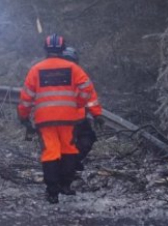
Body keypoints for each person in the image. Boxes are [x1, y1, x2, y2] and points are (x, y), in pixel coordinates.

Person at [18, 34, 104, 204]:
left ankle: (52, 192)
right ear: (63, 49)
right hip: (69, 118)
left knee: (51, 152)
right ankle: (65, 185)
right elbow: (87, 89)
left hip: (45, 120)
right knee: (69, 150)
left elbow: (26, 97)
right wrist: (79, 104)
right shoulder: (73, 68)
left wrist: (23, 117)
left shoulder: (36, 69)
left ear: (45, 49)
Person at [61, 46, 98, 171]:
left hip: (53, 117)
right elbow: (90, 97)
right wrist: (96, 114)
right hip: (76, 117)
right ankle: (72, 162)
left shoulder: (51, 74)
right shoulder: (80, 75)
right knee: (87, 138)